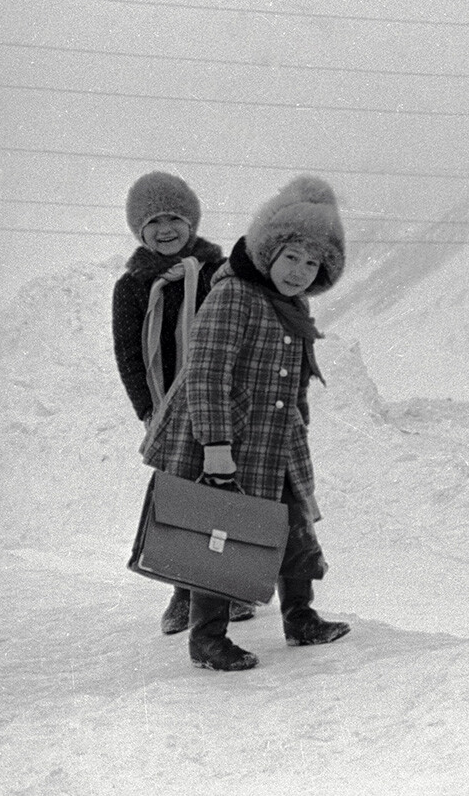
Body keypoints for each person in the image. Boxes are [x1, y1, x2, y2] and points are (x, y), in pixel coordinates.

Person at [141, 174, 350, 671]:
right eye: (292, 258)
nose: (300, 271)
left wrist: (298, 420)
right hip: (227, 443)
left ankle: (300, 617)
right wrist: (216, 446)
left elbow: (294, 378)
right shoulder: (234, 295)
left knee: (294, 530)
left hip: (277, 444)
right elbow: (205, 374)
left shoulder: (291, 306)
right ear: (268, 254)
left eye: (312, 262)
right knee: (223, 538)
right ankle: (208, 639)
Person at [111, 171, 255, 634]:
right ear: (140, 230)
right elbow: (130, 353)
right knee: (179, 495)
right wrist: (147, 410)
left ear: (191, 221)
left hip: (220, 401)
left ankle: (231, 592)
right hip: (167, 407)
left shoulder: (220, 272)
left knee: (228, 490)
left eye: (175, 217)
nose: (165, 228)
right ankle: (182, 593)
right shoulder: (132, 286)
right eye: (154, 221)